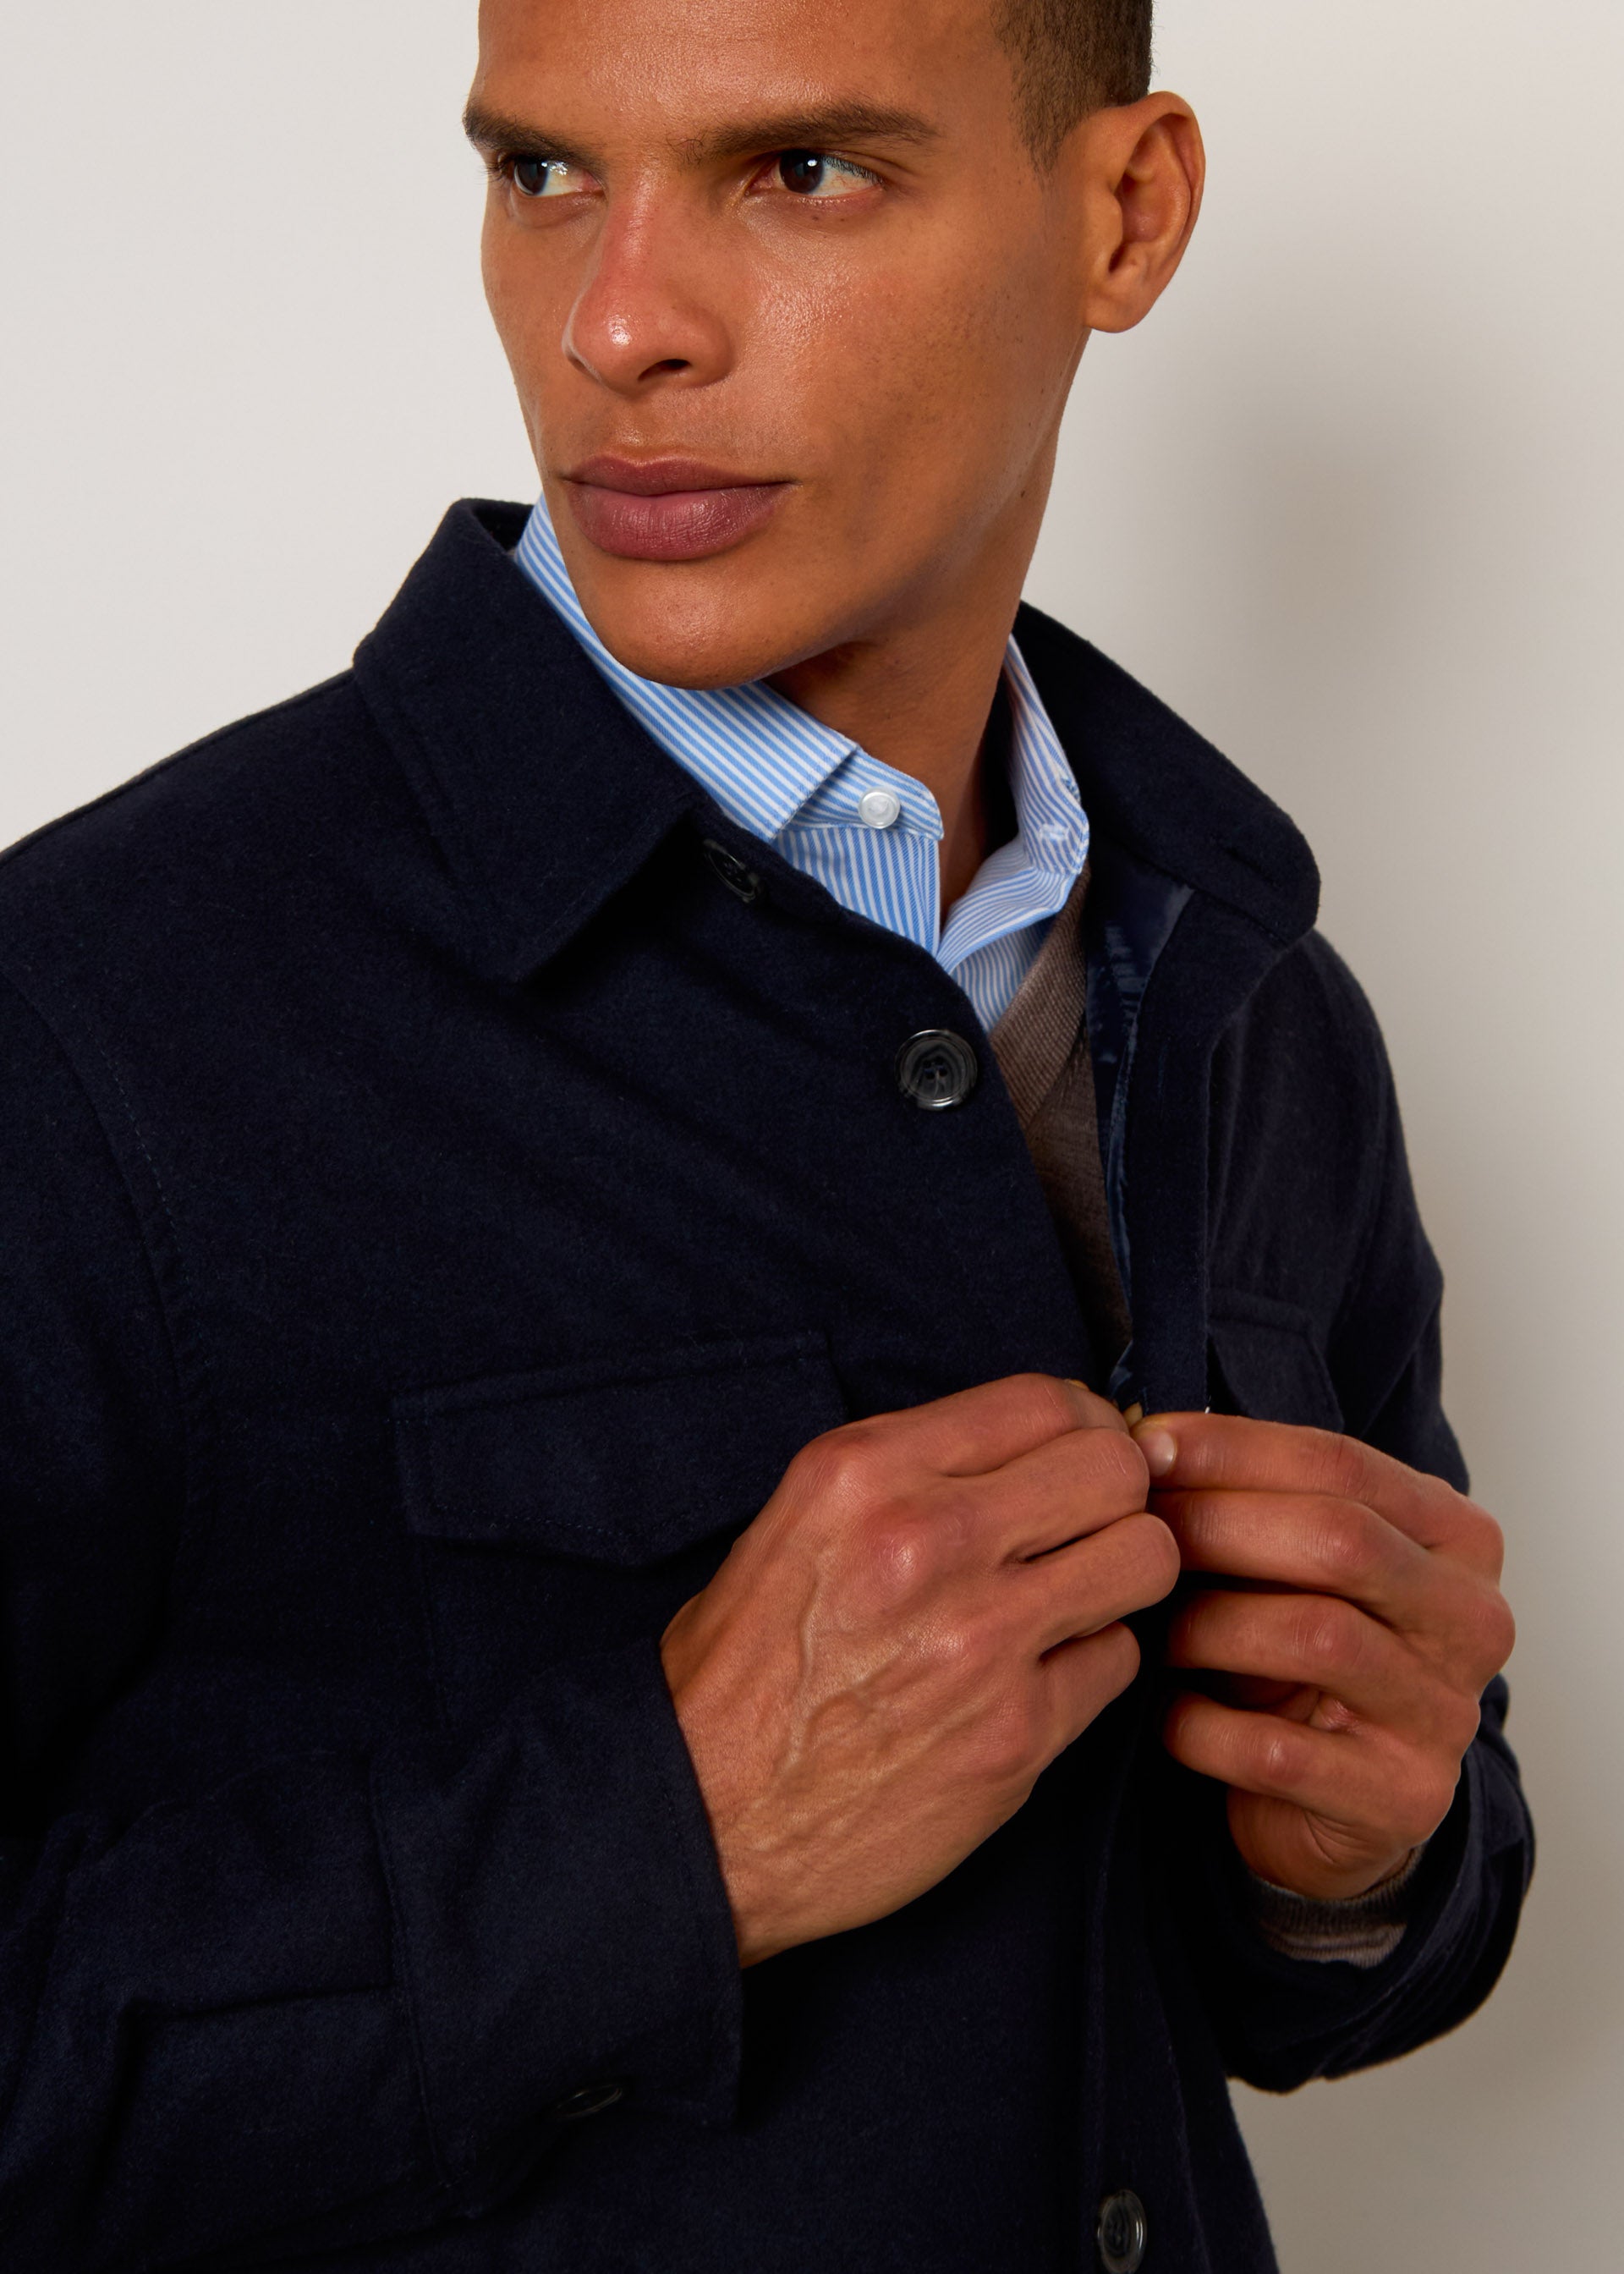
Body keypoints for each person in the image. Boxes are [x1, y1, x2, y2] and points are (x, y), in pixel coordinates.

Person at [0, 0, 1528, 2265]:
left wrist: (1367, 1865)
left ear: (1127, 214)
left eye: (801, 171)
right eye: (542, 175)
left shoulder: (1255, 1008)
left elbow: (1279, 1994)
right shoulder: (86, 1021)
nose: (617, 326)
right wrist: (668, 1838)